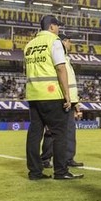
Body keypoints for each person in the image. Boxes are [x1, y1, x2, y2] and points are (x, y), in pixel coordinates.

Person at [24, 15, 84, 181]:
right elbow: (60, 69)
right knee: (60, 134)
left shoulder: (29, 45)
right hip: (52, 95)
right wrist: (67, 95)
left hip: (34, 95)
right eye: (57, 26)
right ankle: (60, 171)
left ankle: (35, 172)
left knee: (35, 135)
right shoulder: (54, 42)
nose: (58, 29)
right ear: (51, 27)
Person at [40, 32, 84, 169]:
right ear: (63, 42)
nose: (70, 44)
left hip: (69, 99)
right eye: (69, 41)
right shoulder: (58, 58)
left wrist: (75, 103)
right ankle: (45, 158)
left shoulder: (66, 59)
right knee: (52, 131)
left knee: (70, 131)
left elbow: (70, 82)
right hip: (60, 99)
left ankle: (68, 158)